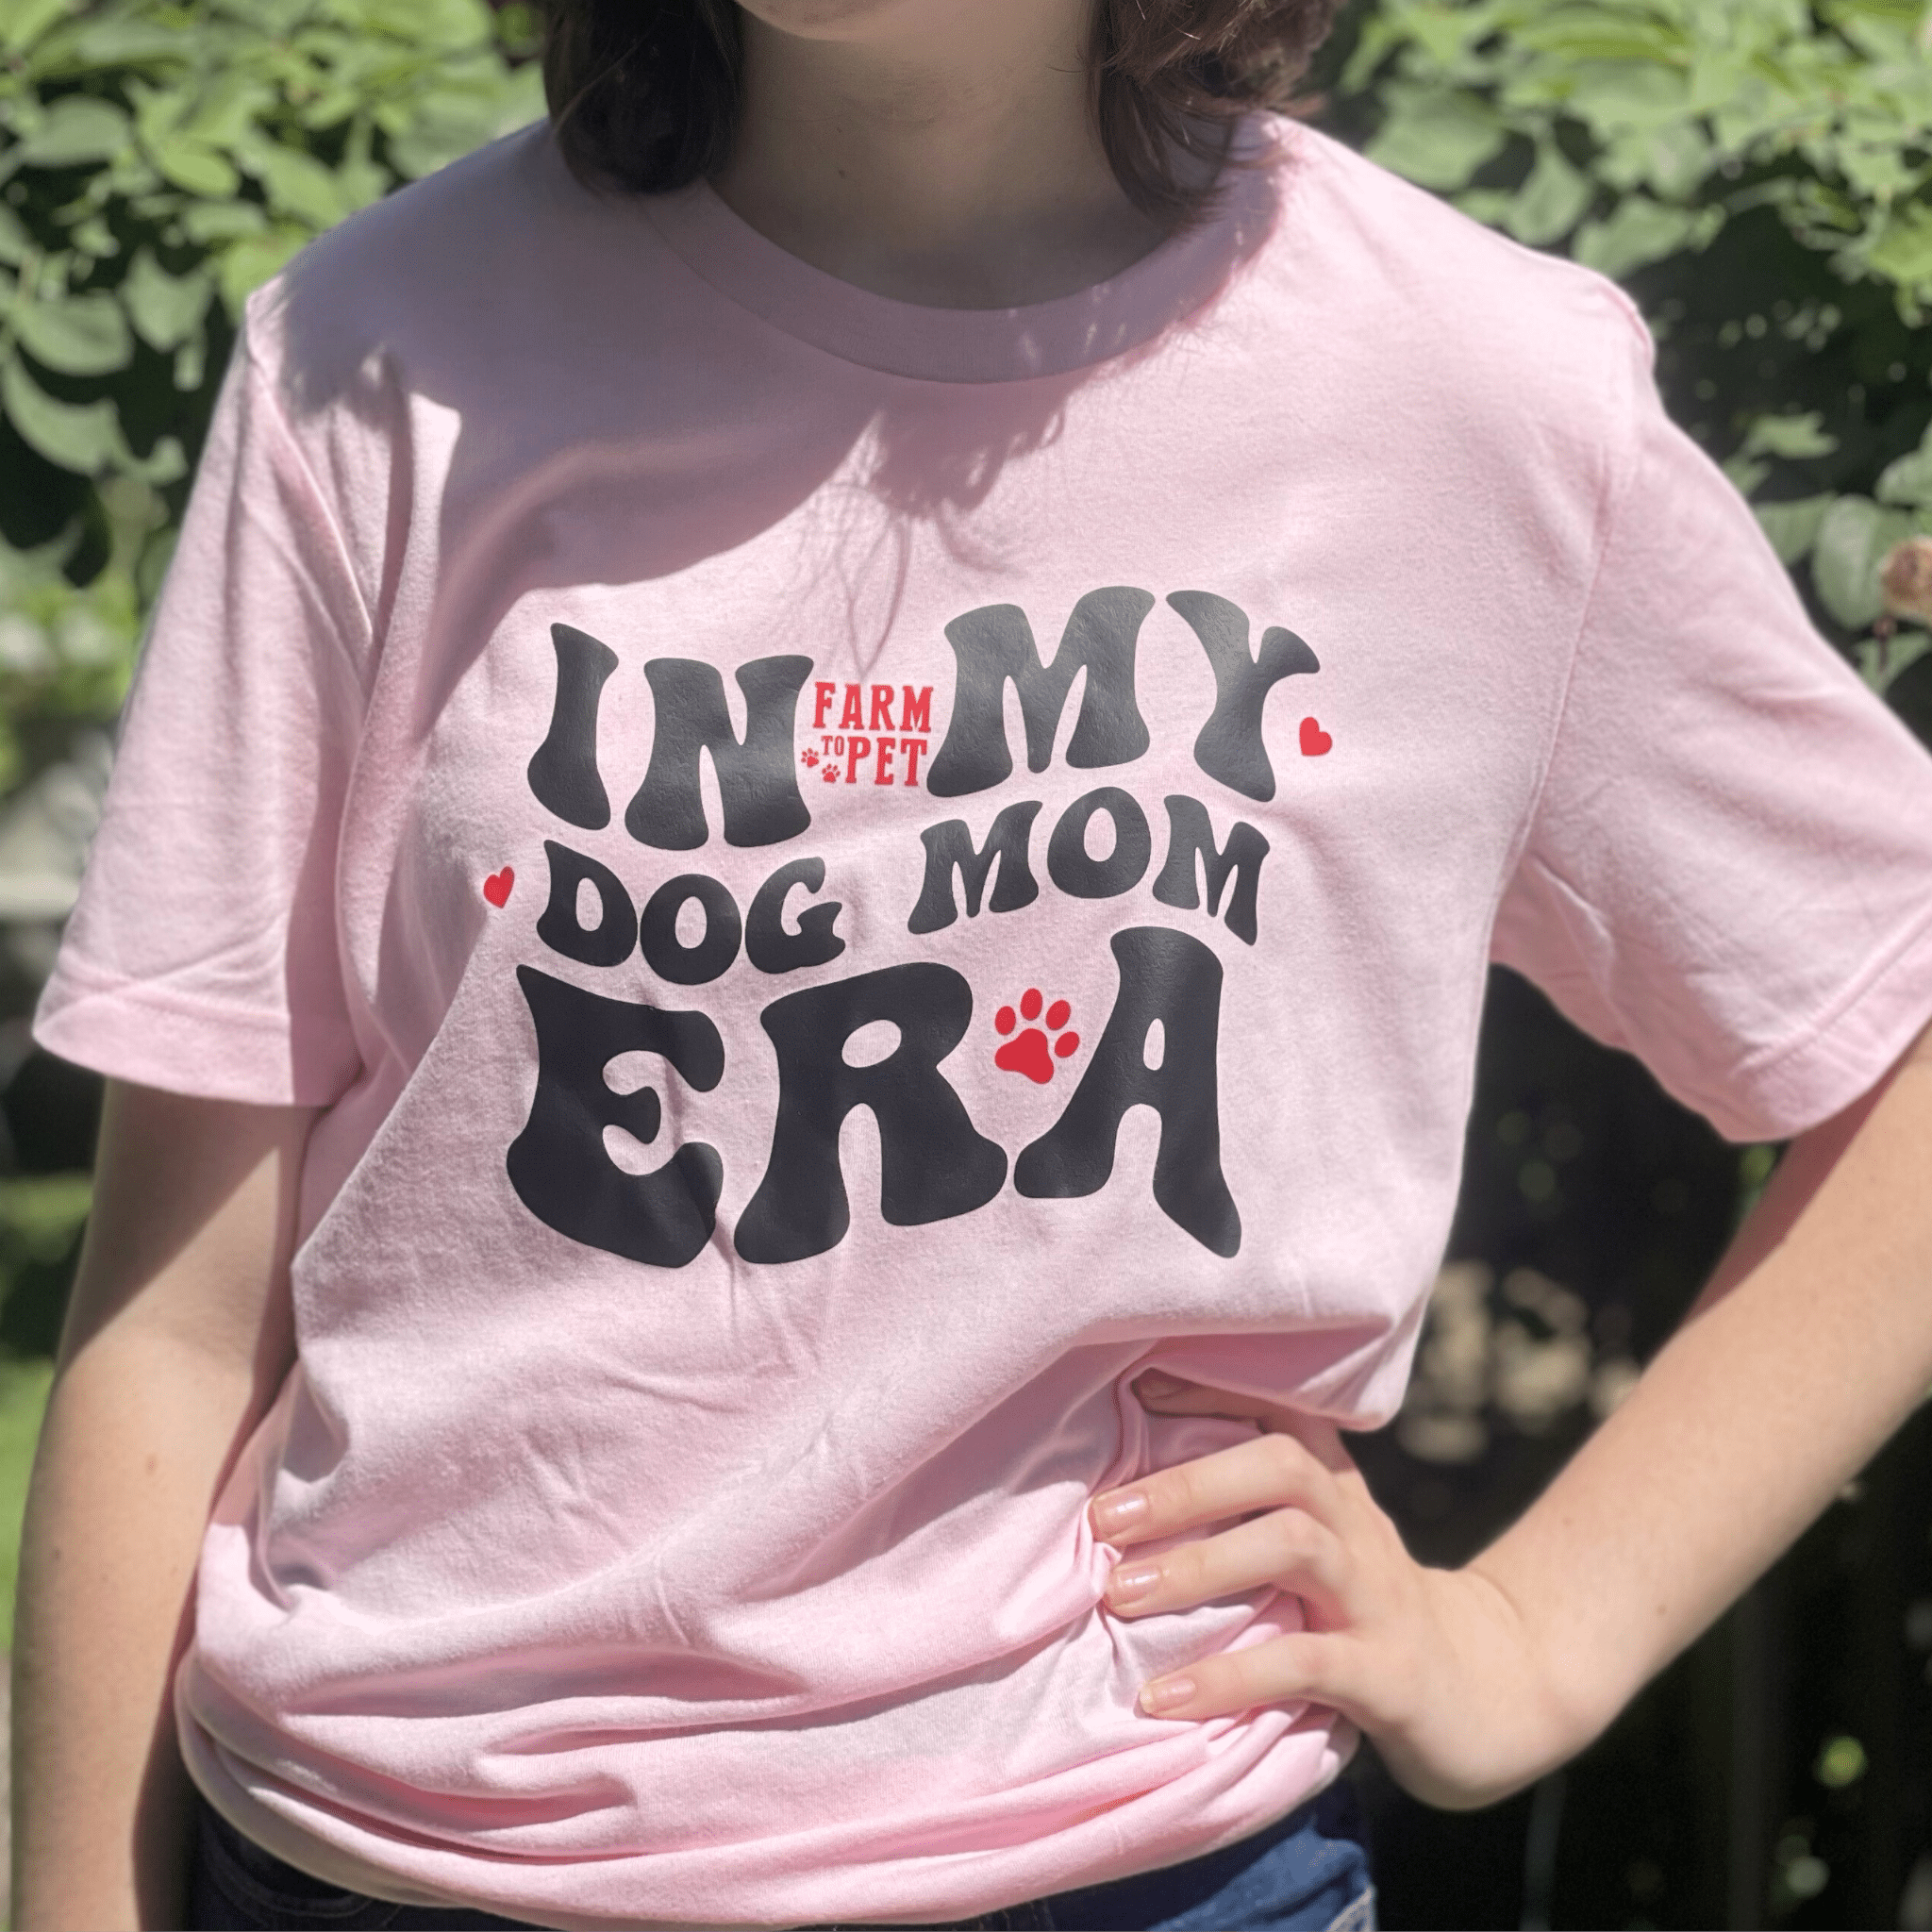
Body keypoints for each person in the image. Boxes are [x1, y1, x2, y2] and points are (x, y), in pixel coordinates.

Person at [14, 0, 1932, 1926]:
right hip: (386, 1862)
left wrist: (1534, 1632)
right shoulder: (378, 358)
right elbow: (174, 1315)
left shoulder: (1467, 387)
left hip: (1133, 1870)